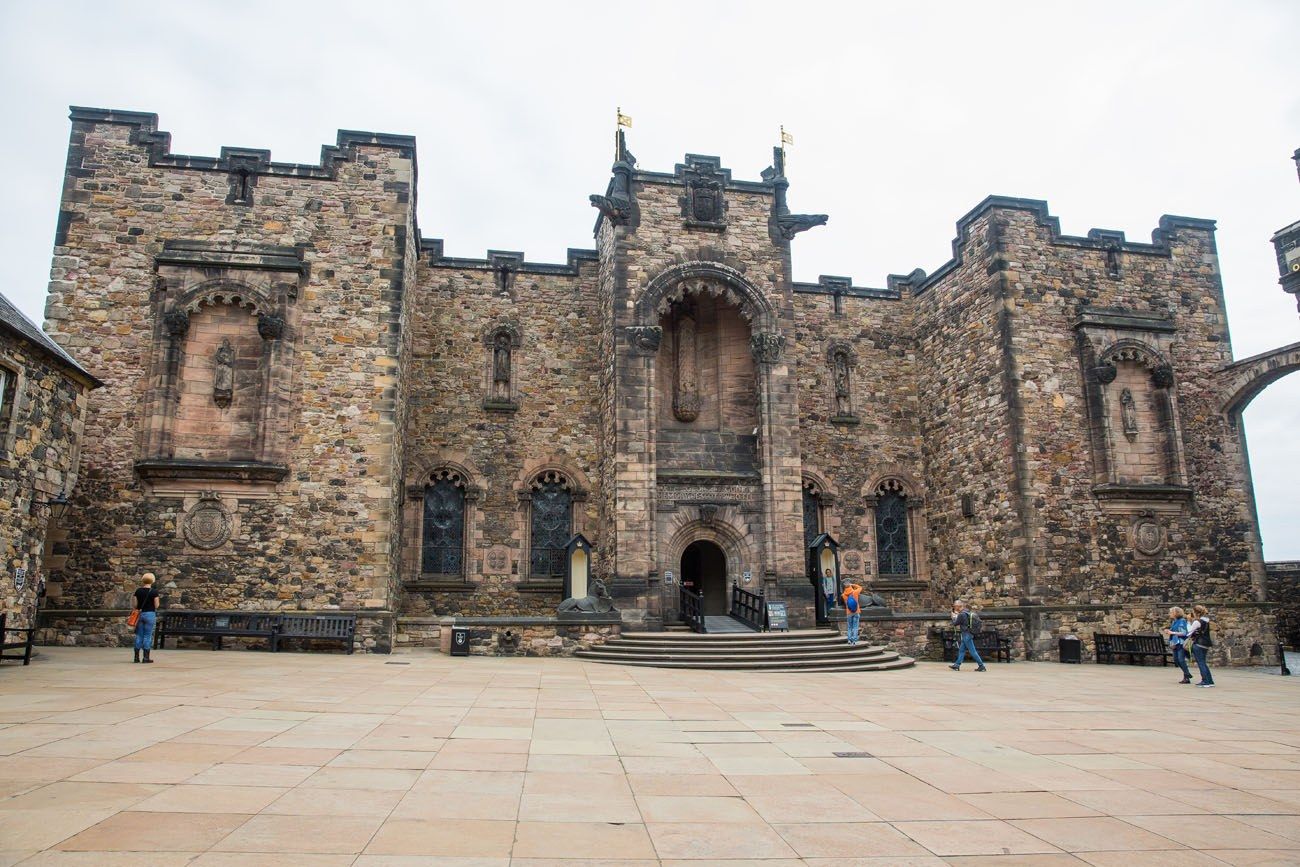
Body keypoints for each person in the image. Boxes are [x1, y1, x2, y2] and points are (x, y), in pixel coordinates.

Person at [949, 600, 986, 672]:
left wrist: (953, 617)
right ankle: (957, 665)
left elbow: (955, 623)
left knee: (973, 651)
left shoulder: (961, 614)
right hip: (968, 634)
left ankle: (982, 666)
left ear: (958, 606)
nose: (954, 607)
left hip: (966, 634)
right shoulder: (967, 612)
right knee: (962, 650)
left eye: (954, 606)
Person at [132, 573, 160, 664]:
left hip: (140, 614)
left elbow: (135, 605)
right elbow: (156, 605)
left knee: (139, 635)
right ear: (152, 580)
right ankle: (146, 658)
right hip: (150, 614)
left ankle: (136, 657)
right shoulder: (154, 592)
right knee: (147, 635)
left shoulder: (138, 591)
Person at [1184, 604, 1214, 687]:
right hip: (1205, 643)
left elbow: (1189, 632)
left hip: (1199, 643)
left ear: (1195, 612)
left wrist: (1189, 622)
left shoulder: (1197, 622)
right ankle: (1210, 680)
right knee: (1203, 662)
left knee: (1201, 663)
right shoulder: (1206, 621)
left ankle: (1205, 681)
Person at [1162, 606, 1193, 684]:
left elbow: (1183, 633)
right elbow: (1174, 631)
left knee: (1181, 660)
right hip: (1175, 643)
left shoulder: (1182, 621)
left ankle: (1186, 676)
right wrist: (1168, 631)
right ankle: (1187, 674)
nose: (1170, 614)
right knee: (1176, 660)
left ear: (1176, 613)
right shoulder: (1174, 621)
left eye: (1171, 612)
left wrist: (1172, 632)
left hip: (1181, 643)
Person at [841, 579, 863, 645]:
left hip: (849, 612)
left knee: (849, 627)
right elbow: (860, 587)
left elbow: (846, 604)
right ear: (850, 585)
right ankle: (854, 641)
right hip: (856, 611)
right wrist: (852, 585)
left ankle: (849, 640)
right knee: (855, 627)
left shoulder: (843, 595)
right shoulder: (855, 592)